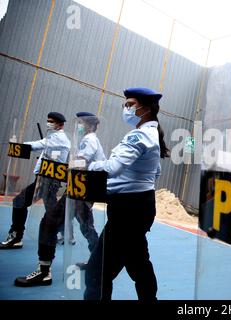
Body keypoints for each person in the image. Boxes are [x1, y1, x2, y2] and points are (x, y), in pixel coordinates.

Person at [84, 88, 169, 301]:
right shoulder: (152, 134)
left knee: (97, 273)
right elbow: (156, 172)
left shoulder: (140, 135)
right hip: (138, 206)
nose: (126, 108)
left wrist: (86, 165)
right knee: (138, 262)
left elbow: (113, 167)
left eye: (130, 104)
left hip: (127, 211)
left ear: (146, 108)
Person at [14, 112, 105, 286]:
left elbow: (82, 162)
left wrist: (62, 167)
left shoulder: (90, 139)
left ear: (91, 126)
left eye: (81, 123)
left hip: (82, 189)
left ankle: (44, 271)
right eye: (77, 122)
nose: (78, 126)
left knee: (50, 222)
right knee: (86, 226)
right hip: (81, 188)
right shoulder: (86, 139)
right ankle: (97, 259)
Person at [0, 112, 71, 249]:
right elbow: (45, 148)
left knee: (20, 202)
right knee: (51, 210)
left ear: (60, 124)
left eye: (52, 121)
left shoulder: (58, 138)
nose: (48, 123)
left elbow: (37, 145)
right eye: (48, 120)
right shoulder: (54, 137)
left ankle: (16, 237)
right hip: (44, 178)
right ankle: (63, 234)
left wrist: (19, 146)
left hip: (48, 180)